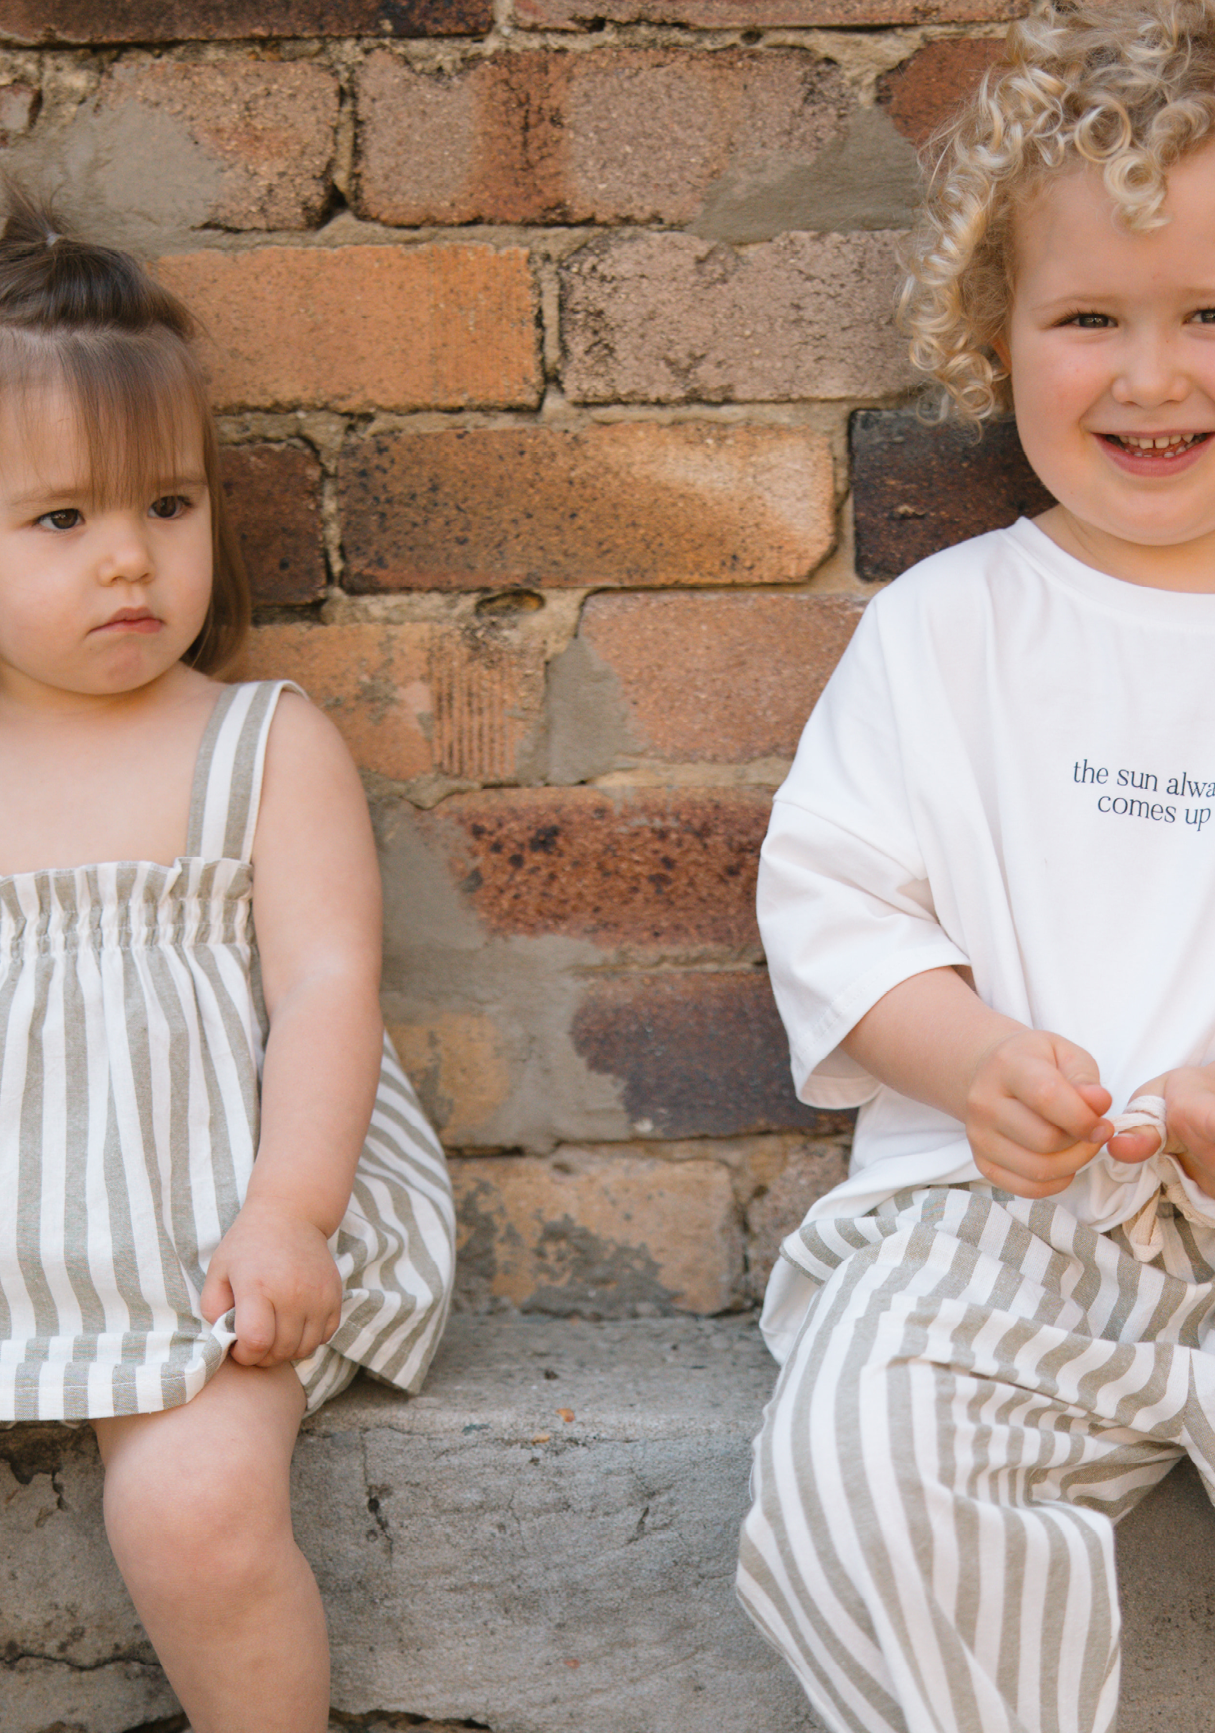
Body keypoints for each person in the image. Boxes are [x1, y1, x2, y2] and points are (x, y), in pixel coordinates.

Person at [0, 190, 455, 1733]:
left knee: (193, 1519)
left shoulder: (260, 744)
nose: (129, 558)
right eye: (63, 519)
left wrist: (291, 1216)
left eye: (171, 507)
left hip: (208, 1245)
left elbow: (330, 987)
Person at [735, 3, 1215, 1728]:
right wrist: (979, 1061)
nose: (1154, 376)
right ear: (992, 333)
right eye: (1091, 317)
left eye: (1209, 315)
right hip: (995, 1221)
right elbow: (835, 899)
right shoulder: (951, 631)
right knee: (863, 1478)